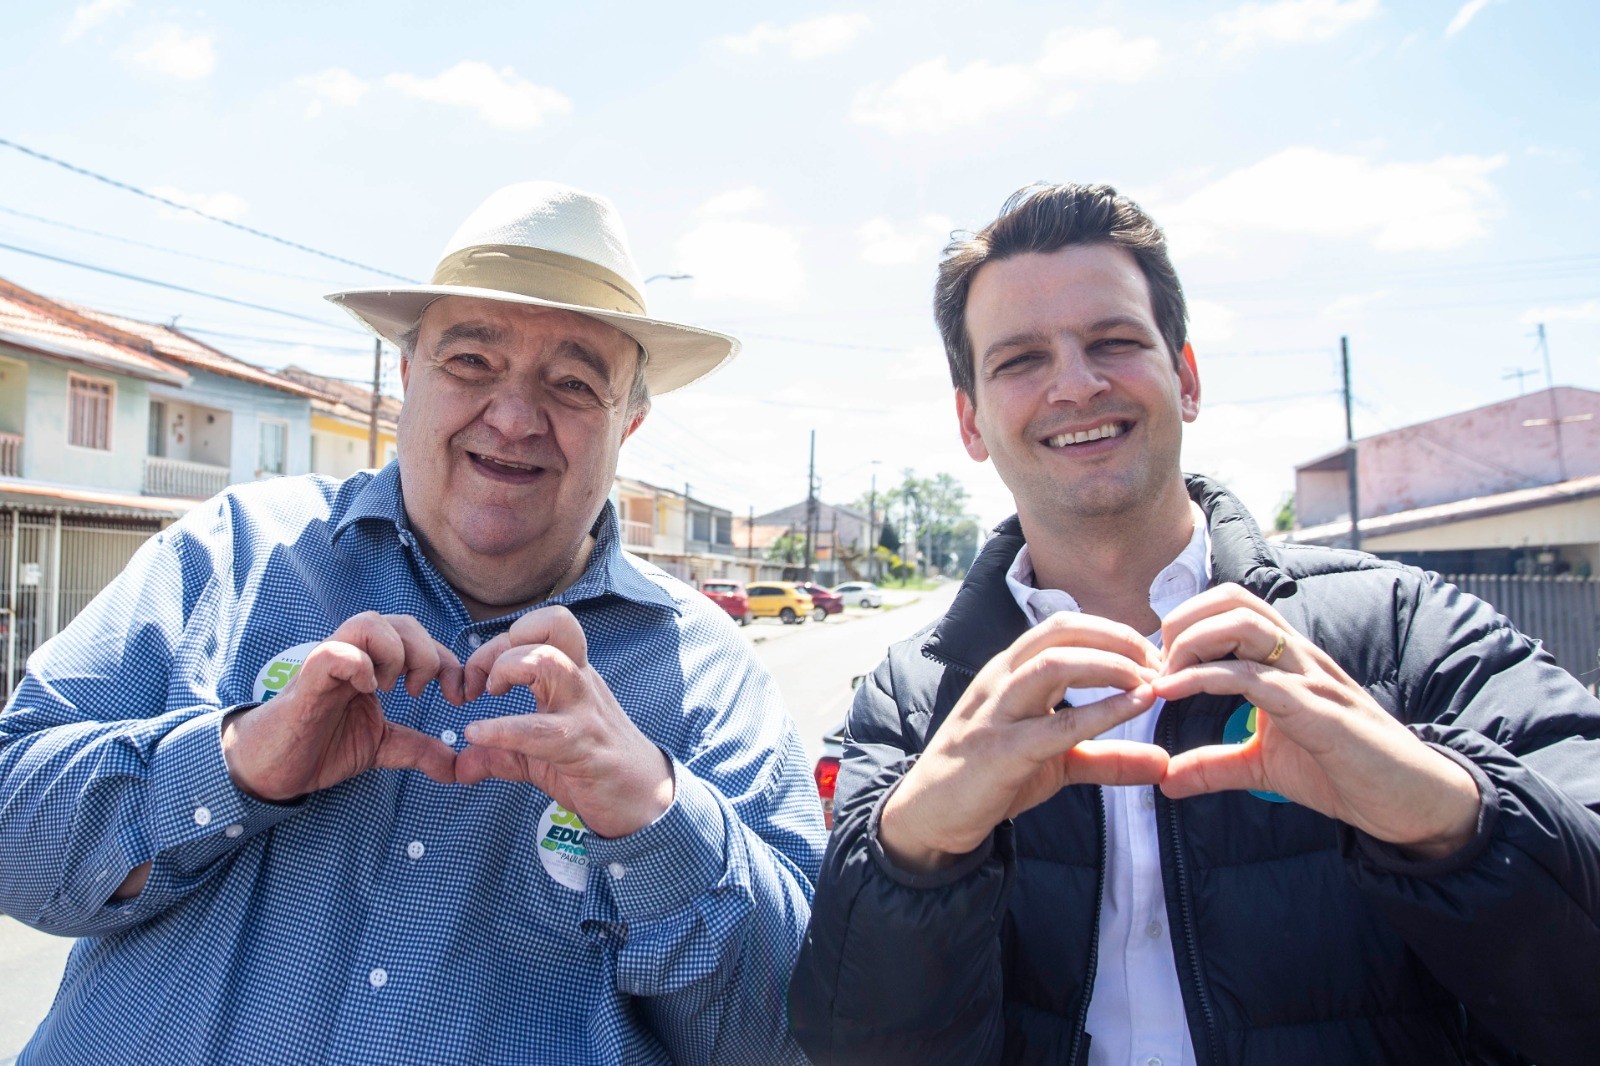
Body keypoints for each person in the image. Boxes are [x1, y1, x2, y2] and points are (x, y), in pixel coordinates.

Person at [0, 182, 825, 1064]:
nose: (512, 418)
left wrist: (654, 817)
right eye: (470, 362)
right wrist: (240, 759)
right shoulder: (236, 554)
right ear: (406, 376)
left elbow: (788, 1033)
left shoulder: (710, 678)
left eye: (575, 383)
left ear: (631, 421)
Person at [788, 183, 1600, 1064]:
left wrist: (1446, 817)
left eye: (1114, 341)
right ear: (970, 421)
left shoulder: (1408, 627)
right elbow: (849, 1044)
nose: (1075, 384)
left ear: (1187, 377)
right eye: (1020, 359)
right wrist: (916, 857)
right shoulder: (913, 701)